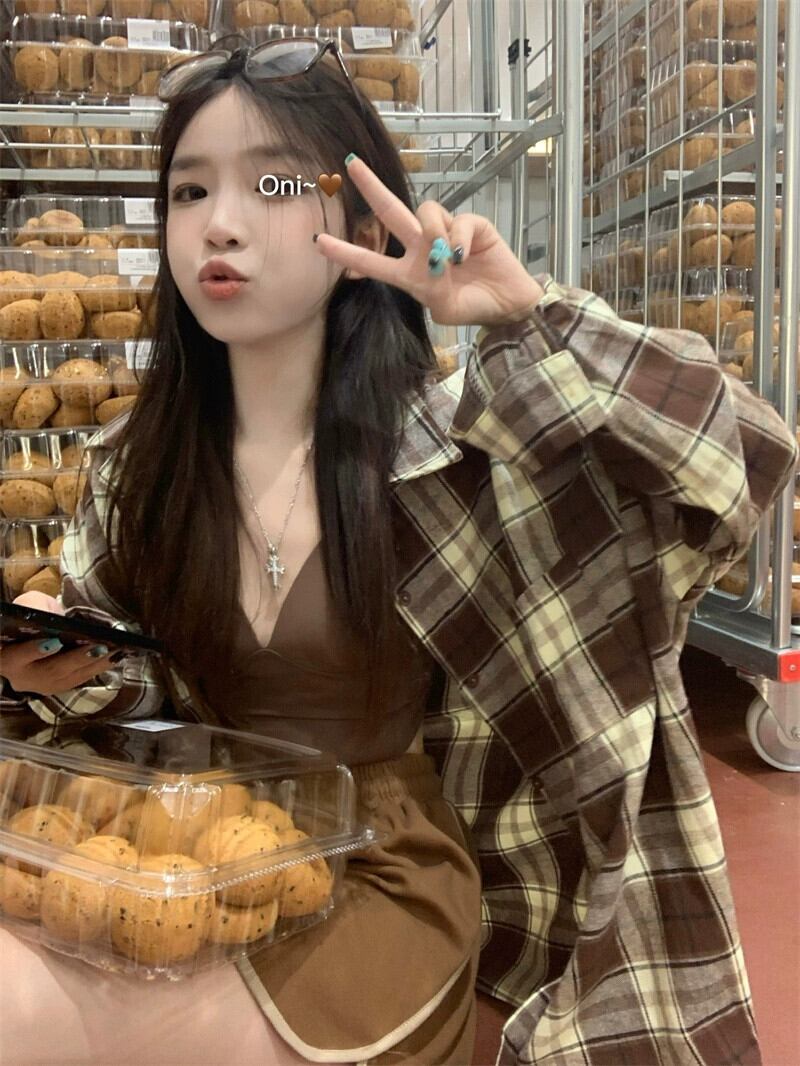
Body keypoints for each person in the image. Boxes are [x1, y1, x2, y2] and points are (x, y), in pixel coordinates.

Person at [0, 37, 795, 1066]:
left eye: (273, 184)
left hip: (383, 868)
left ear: (364, 222)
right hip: (196, 851)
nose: (220, 224)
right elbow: (137, 700)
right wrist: (62, 668)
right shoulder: (134, 471)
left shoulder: (453, 449)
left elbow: (739, 466)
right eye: (189, 191)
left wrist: (529, 319)